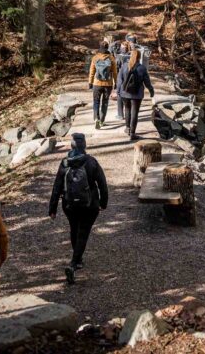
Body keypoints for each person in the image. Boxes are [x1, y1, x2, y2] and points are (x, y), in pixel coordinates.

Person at [48, 133, 108, 284]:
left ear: (71, 147)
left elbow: (57, 186)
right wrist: (103, 202)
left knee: (74, 228)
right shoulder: (91, 162)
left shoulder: (65, 163)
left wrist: (52, 208)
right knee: (83, 232)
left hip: (69, 205)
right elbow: (102, 184)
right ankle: (74, 264)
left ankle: (78, 259)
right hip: (90, 205)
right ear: (85, 146)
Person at [117, 49, 155, 140]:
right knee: (135, 112)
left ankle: (127, 128)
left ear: (131, 56)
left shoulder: (124, 66)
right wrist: (151, 90)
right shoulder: (142, 68)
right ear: (139, 57)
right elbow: (147, 82)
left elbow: (119, 80)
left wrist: (118, 91)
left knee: (127, 110)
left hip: (125, 93)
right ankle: (132, 134)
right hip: (137, 94)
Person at [87, 42, 117, 129]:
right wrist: (116, 83)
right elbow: (115, 72)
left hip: (97, 84)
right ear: (107, 48)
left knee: (96, 102)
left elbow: (92, 71)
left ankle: (96, 118)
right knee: (105, 102)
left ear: (99, 47)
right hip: (108, 84)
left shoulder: (95, 58)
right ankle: (102, 121)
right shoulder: (111, 58)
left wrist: (90, 82)